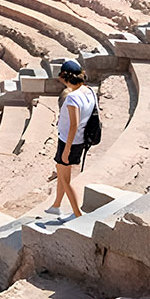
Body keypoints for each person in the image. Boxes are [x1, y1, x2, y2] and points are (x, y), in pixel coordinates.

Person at [47, 60, 95, 220]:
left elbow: (74, 125)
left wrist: (66, 150)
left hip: (69, 141)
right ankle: (56, 205)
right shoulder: (90, 91)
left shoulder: (73, 97)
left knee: (64, 178)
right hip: (78, 140)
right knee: (62, 172)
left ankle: (77, 213)